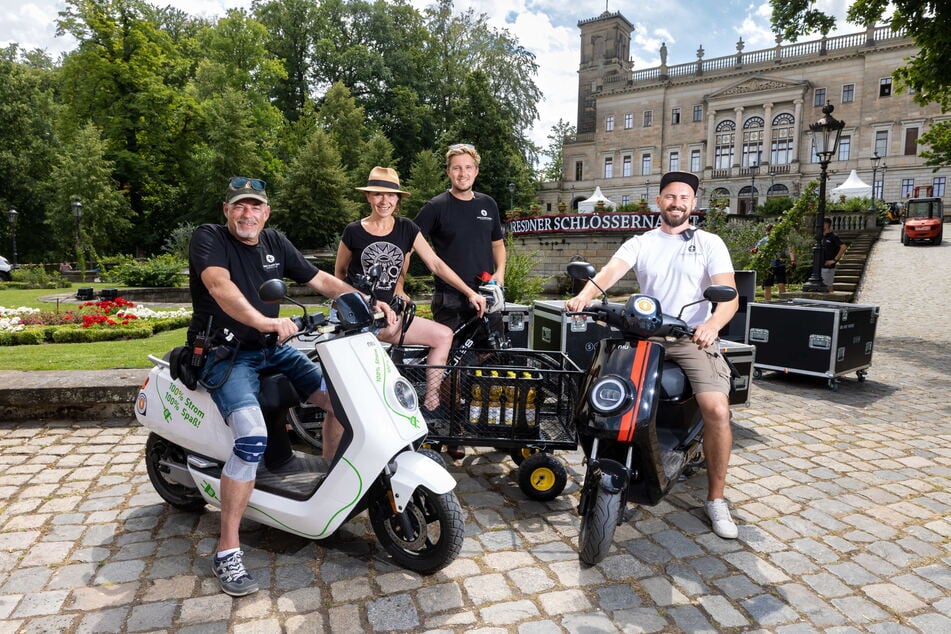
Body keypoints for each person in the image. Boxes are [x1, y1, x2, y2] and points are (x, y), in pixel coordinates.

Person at [189, 176, 393, 596]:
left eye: (255, 207)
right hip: (225, 355)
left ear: (266, 212)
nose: (248, 214)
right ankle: (227, 550)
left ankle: (332, 498)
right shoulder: (209, 238)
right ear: (226, 210)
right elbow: (219, 286)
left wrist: (364, 301)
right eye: (239, 206)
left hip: (272, 348)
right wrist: (264, 321)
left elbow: (319, 279)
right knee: (250, 439)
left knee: (344, 403)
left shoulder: (274, 242)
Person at [565, 171, 741, 540]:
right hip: (645, 335)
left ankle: (716, 498)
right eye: (670, 197)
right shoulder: (641, 242)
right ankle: (618, 474)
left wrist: (711, 325)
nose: (676, 203)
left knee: (717, 409)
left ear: (693, 204)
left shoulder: (710, 242)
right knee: (609, 400)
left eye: (684, 198)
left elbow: (728, 294)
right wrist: (585, 296)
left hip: (692, 337)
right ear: (659, 201)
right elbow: (611, 271)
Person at [332, 166, 486, 423]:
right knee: (372, 385)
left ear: (398, 199)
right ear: (368, 197)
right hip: (358, 319)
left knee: (443, 335)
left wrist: (470, 292)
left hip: (389, 316)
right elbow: (339, 274)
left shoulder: (407, 228)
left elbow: (435, 264)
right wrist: (365, 304)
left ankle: (431, 401)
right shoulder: (353, 231)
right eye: (378, 194)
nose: (385, 201)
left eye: (391, 195)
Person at [415, 143, 507, 459]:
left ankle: (492, 426)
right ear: (448, 171)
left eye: (468, 167)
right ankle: (450, 431)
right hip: (450, 299)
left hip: (486, 295)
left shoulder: (488, 205)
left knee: (490, 360)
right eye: (457, 168)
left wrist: (500, 276)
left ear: (476, 171)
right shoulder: (435, 207)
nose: (462, 173)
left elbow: (499, 246)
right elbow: (409, 243)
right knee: (448, 365)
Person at [751, 223, 795, 301]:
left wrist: (792, 260)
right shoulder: (763, 241)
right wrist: (756, 253)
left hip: (780, 264)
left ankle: (783, 303)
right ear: (768, 231)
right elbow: (756, 251)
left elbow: (789, 250)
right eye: (772, 230)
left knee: (781, 284)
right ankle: (768, 304)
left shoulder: (780, 240)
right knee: (767, 286)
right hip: (768, 266)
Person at [820, 217, 846, 292]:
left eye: (822, 223)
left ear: (827, 224)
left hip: (828, 266)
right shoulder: (821, 237)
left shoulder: (833, 236)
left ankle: (831, 301)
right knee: (822, 286)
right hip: (819, 265)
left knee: (828, 285)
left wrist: (834, 260)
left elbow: (843, 247)